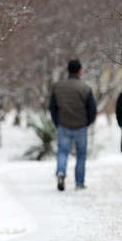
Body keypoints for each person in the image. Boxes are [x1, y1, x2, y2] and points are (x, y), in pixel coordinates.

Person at [49, 59, 97, 191]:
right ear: (80, 71)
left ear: (68, 70)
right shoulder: (85, 88)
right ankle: (79, 182)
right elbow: (92, 109)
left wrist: (57, 122)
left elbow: (52, 107)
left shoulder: (58, 87)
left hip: (63, 125)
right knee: (81, 155)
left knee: (62, 151)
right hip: (80, 126)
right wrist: (87, 123)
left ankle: (61, 172)